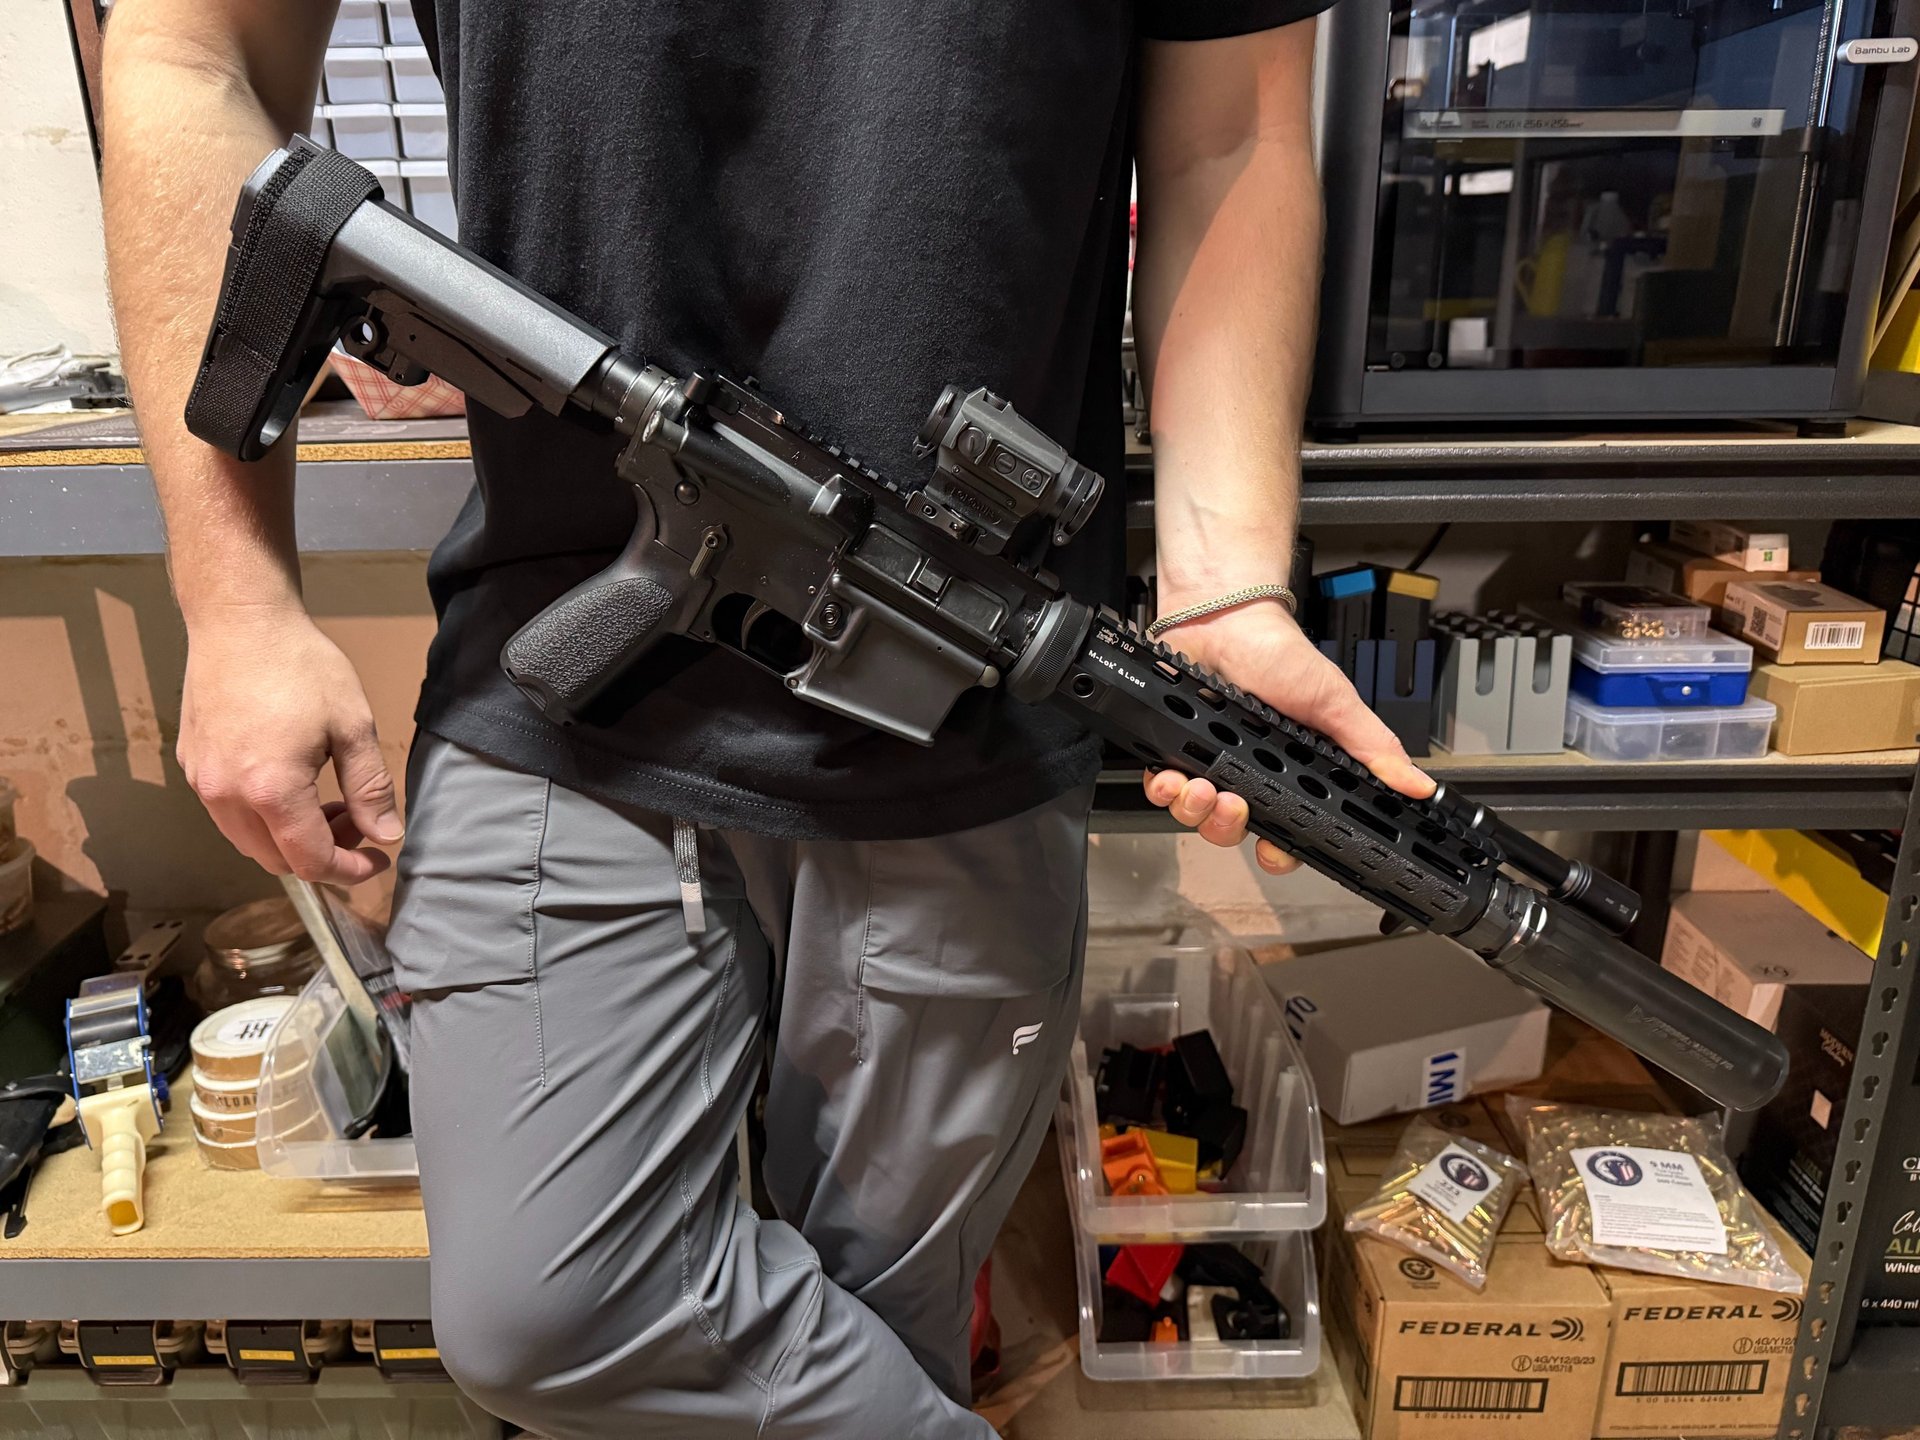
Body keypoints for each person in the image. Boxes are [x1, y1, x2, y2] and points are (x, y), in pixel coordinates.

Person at [102, 2, 1430, 1435]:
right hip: (565, 670)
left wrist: (1226, 593)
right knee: (548, 1312)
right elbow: (189, 54)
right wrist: (234, 600)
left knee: (875, 1339)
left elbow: (1228, 133)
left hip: (959, 707)